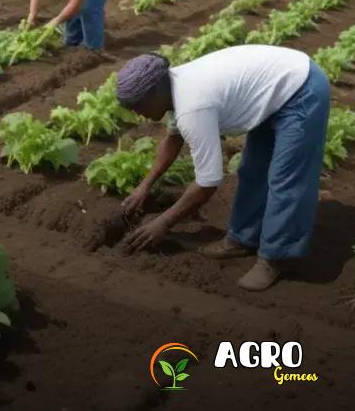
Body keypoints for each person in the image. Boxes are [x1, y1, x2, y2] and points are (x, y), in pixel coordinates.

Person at [114, 45, 331, 291]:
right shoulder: (174, 84)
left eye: (137, 106)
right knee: (252, 171)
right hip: (272, 90)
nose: (138, 114)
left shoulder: (193, 106)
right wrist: (145, 185)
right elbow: (173, 138)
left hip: (300, 89)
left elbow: (208, 183)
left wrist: (163, 223)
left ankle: (275, 257)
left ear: (153, 93)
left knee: (286, 180)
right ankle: (241, 239)